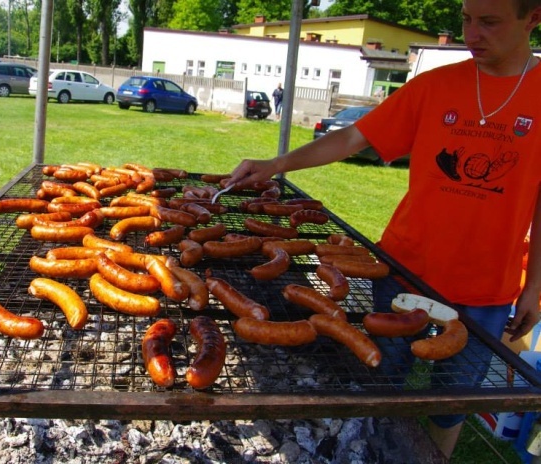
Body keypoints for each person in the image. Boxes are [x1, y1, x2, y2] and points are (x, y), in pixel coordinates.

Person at [226, 0, 541, 459]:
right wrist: (278, 163)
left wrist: (534, 286)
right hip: (403, 267)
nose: (473, 34)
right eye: (466, 19)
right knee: (379, 380)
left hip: (487, 285)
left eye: (489, 22)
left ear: (532, 17)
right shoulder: (435, 85)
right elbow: (355, 137)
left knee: (452, 404)